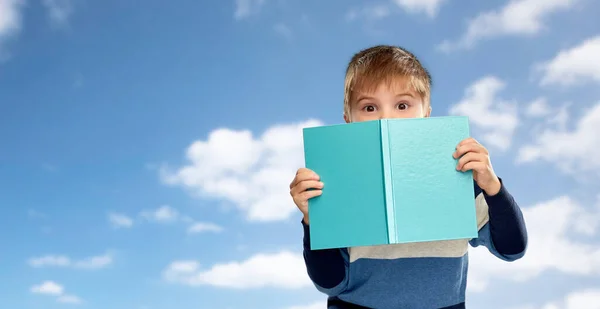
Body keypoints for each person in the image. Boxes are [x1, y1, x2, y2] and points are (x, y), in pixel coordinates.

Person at [288, 45, 528, 309]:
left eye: (402, 105)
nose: (387, 119)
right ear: (348, 119)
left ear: (426, 114)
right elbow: (330, 283)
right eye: (369, 108)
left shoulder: (458, 177)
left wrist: (493, 188)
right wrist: (314, 221)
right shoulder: (334, 184)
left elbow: (512, 249)